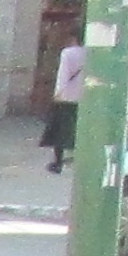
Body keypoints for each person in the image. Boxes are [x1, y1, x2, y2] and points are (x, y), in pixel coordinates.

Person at [41, 35, 88, 172]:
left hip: (67, 96)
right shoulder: (91, 53)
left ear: (74, 39)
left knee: (60, 130)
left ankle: (58, 162)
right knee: (80, 129)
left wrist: (58, 93)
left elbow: (63, 74)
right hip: (84, 96)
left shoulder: (68, 53)